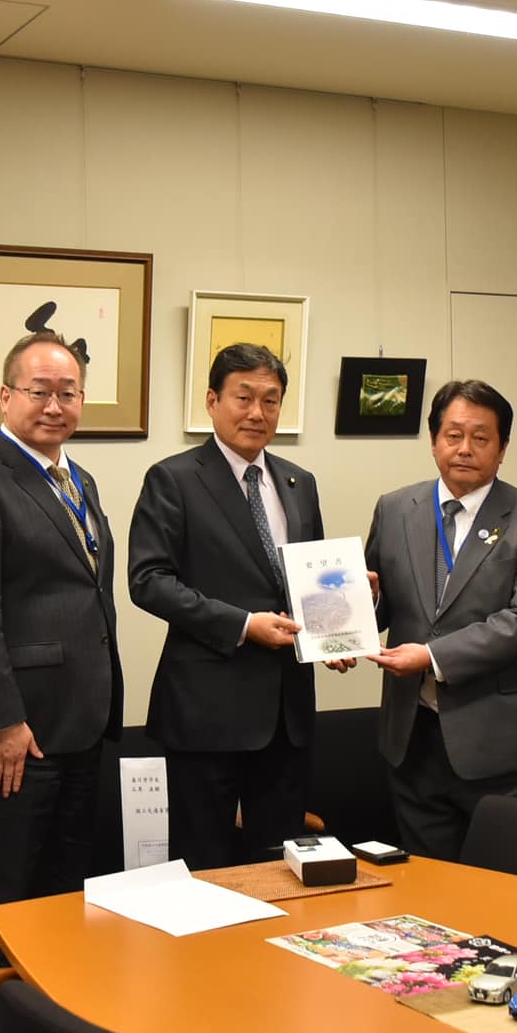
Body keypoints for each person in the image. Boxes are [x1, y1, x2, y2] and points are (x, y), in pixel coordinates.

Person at [0, 330, 123, 967]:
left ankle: (44, 1021)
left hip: (81, 724)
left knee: (62, 899)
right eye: (39, 391)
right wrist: (3, 721)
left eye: (67, 393)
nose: (54, 406)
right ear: (5, 396)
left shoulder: (79, 479)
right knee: (1, 899)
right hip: (18, 736)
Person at [129, 343, 328, 870]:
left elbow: (306, 580)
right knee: (203, 865)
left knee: (282, 866)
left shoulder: (299, 483)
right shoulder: (173, 479)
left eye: (271, 400)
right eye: (244, 397)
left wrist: (339, 615)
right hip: (207, 713)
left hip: (286, 715)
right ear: (212, 401)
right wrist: (242, 625)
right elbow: (149, 582)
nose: (257, 413)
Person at [364, 380, 517, 862]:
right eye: (453, 435)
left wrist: (431, 656)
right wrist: (364, 606)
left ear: (502, 448)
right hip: (412, 738)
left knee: (502, 884)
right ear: (434, 441)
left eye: (481, 437)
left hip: (498, 745)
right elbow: (382, 606)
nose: (465, 449)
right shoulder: (395, 508)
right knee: (426, 882)